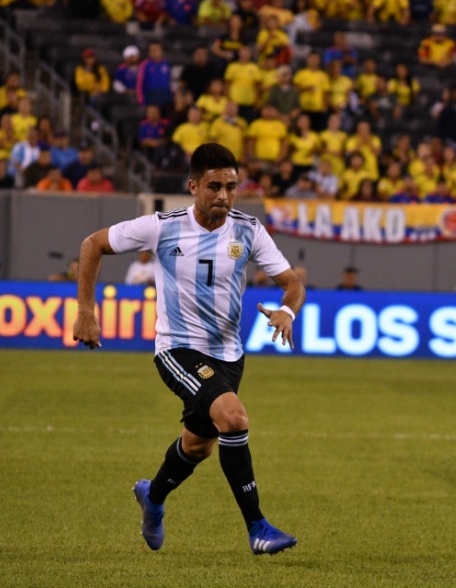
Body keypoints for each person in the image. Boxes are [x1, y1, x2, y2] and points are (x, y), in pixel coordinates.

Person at [72, 143, 304, 556]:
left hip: (229, 355)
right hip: (177, 350)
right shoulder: (162, 227)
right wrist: (86, 311)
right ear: (193, 186)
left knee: (198, 445)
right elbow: (92, 244)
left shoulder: (249, 230)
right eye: (214, 186)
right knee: (233, 417)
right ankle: (258, 527)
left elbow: (293, 282)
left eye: (231, 187)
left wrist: (287, 310)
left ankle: (154, 497)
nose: (223, 196)